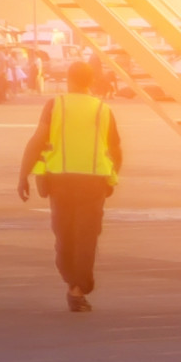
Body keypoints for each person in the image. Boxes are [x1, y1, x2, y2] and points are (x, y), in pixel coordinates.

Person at [18, 57, 124, 311]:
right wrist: (112, 174)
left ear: (68, 79)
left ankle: (73, 283)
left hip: (61, 181)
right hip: (93, 182)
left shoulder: (56, 105)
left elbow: (38, 140)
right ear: (92, 81)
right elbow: (116, 149)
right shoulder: (103, 109)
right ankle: (78, 288)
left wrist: (23, 174)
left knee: (64, 236)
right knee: (86, 237)